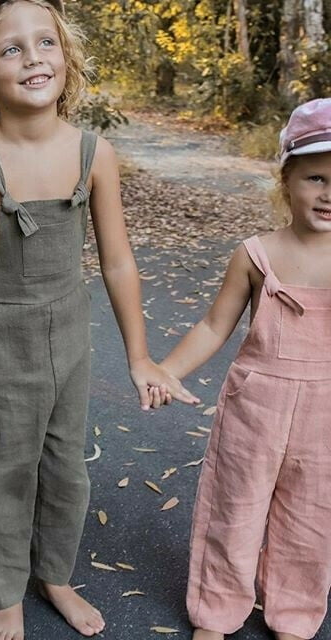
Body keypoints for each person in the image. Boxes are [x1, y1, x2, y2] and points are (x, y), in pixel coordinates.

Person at [0, 2, 198, 638]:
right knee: (6, 461)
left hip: (69, 327)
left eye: (45, 42)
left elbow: (118, 262)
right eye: (11, 49)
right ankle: (4, 587)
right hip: (1, 331)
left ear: (66, 57)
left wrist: (140, 356)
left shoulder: (95, 153)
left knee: (66, 462)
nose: (33, 58)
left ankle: (55, 574)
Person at [158, 97, 331, 640]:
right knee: (233, 508)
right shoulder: (255, 254)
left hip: (326, 414)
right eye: (316, 178)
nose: (329, 194)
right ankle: (216, 610)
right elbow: (214, 326)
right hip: (256, 408)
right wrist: (168, 370)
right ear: (286, 181)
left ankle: (294, 614)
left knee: (312, 516)